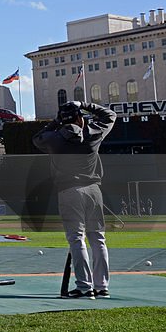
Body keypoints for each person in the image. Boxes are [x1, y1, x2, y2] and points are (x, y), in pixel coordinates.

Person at [33, 100, 117, 298]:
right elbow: (110, 115)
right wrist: (84, 104)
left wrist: (56, 122)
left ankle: (84, 286)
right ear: (80, 117)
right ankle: (101, 286)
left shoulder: (54, 139)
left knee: (77, 239)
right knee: (98, 238)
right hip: (94, 190)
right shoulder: (93, 133)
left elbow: (36, 138)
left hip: (69, 191)